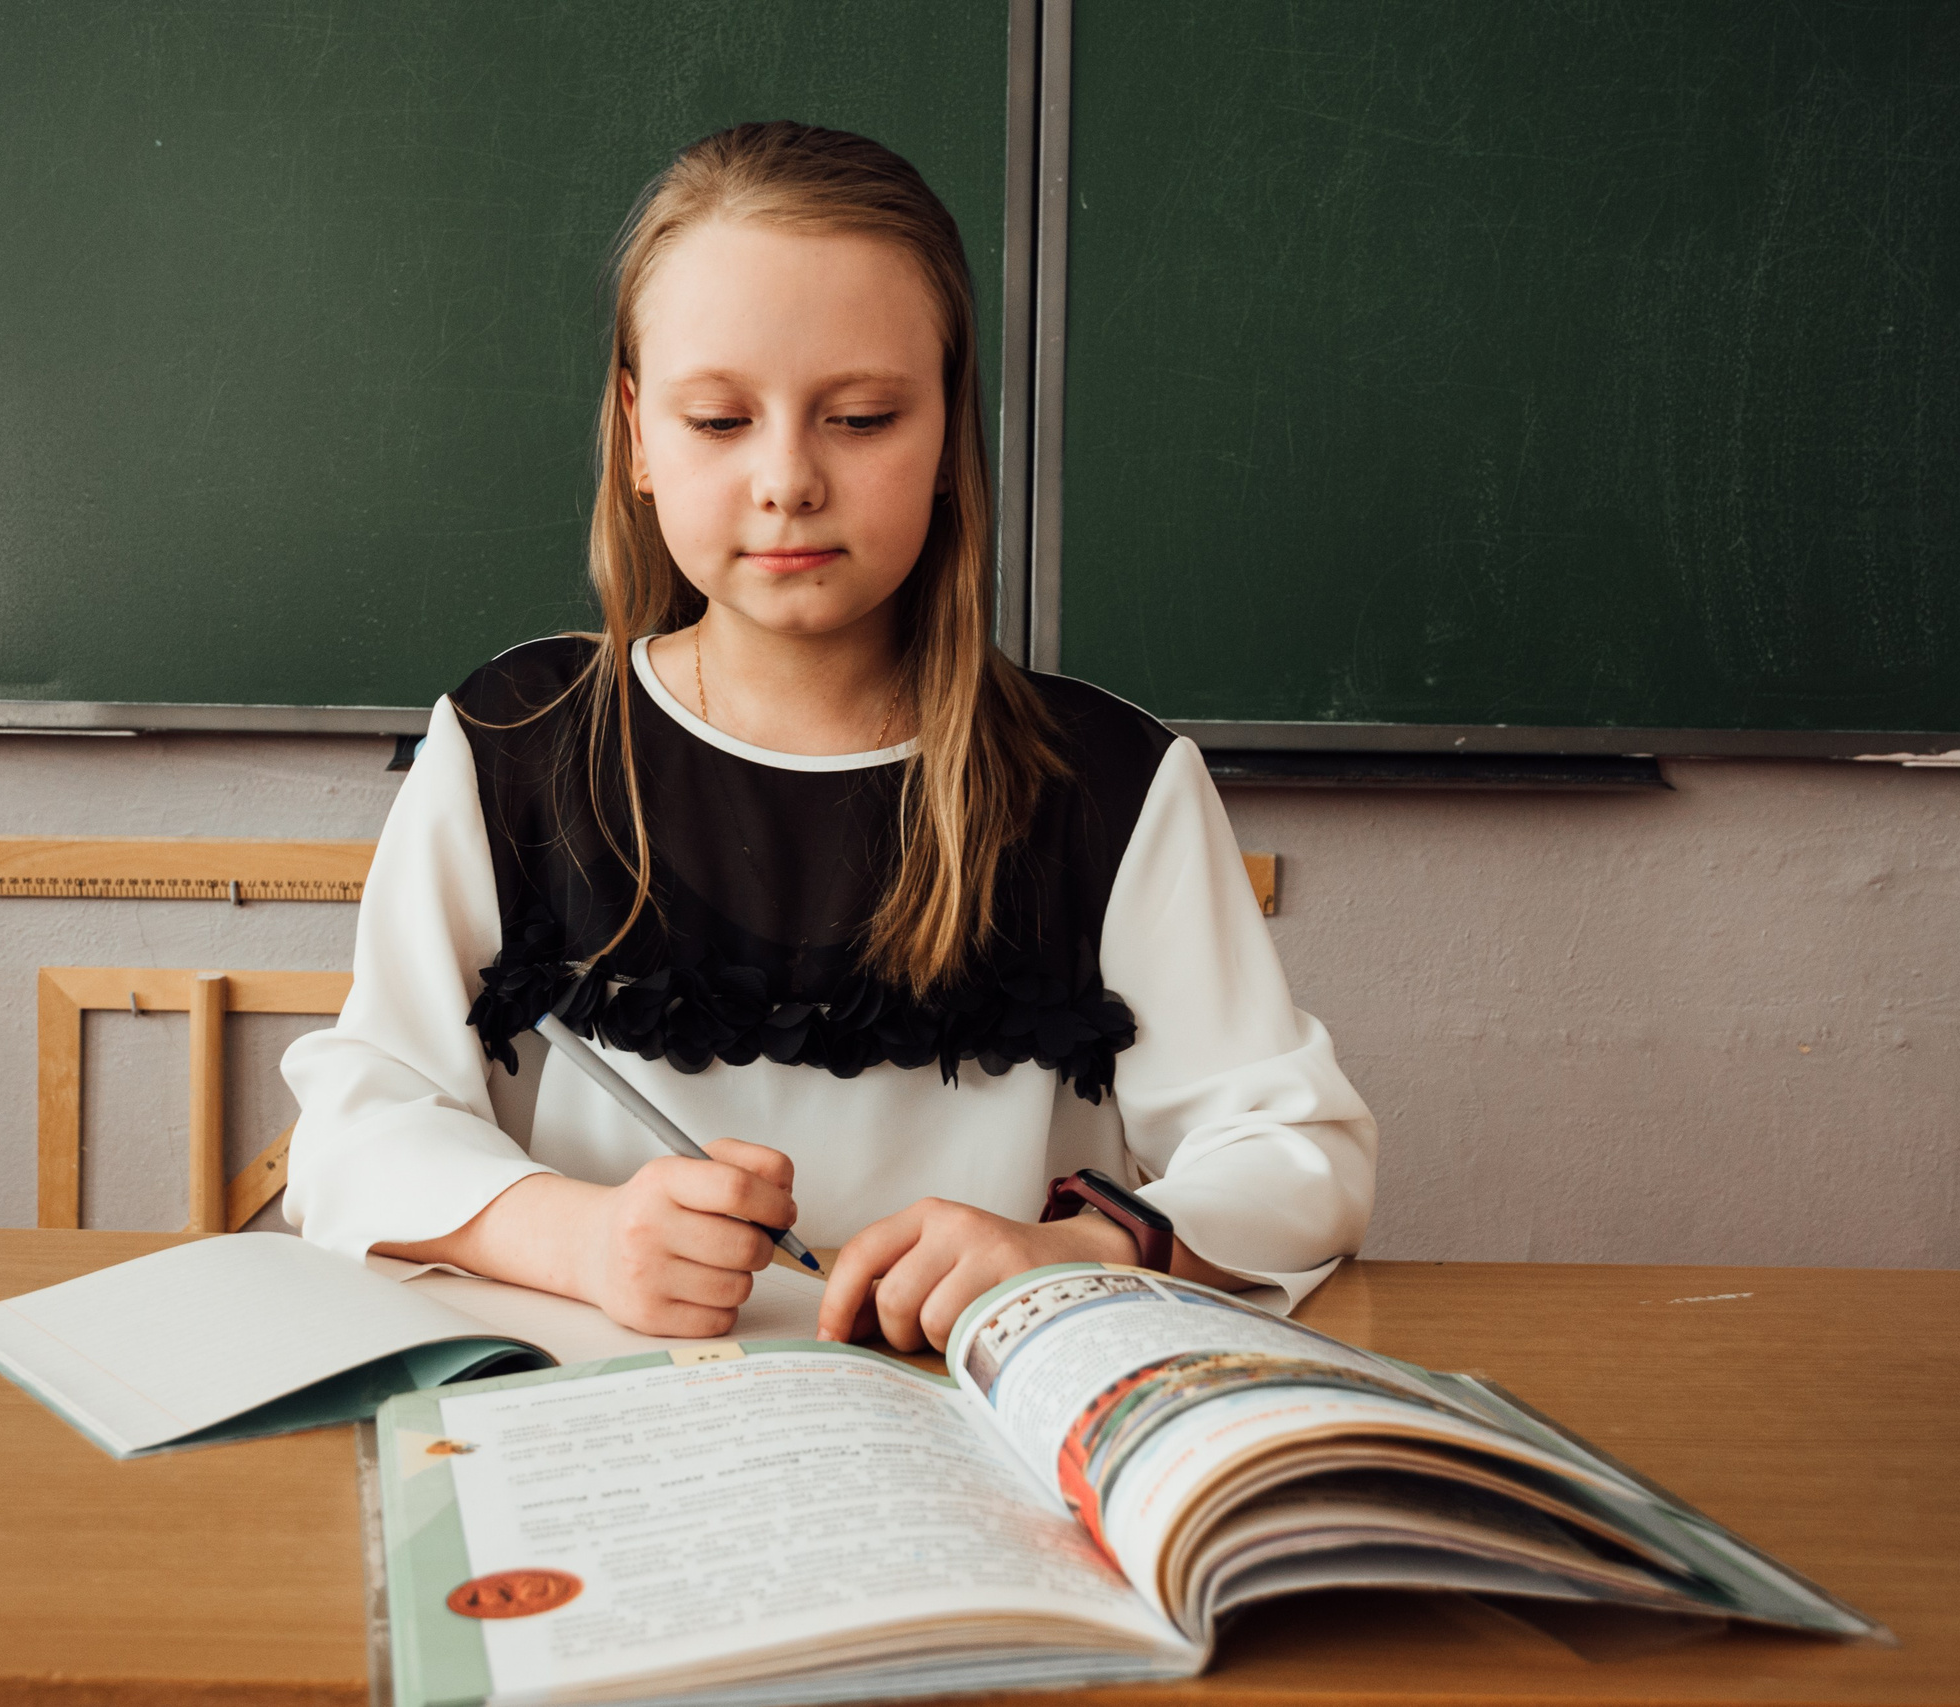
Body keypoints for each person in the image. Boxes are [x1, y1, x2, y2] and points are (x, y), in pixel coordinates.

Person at [281, 121, 1374, 1352]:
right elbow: (353, 1134)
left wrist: (1072, 1247)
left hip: (970, 1430)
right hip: (601, 1425)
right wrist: (579, 1238)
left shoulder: (1110, 782)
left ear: (948, 432)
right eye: (717, 420)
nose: (788, 480)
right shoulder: (511, 745)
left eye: (859, 417)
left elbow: (1301, 1154)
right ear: (637, 434)